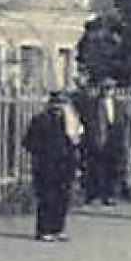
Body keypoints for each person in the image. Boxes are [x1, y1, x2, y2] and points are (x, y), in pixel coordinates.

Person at [23, 90, 82, 242]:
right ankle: (44, 229)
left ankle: (58, 228)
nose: (59, 108)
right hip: (46, 165)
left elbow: (77, 142)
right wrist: (42, 152)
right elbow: (29, 142)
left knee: (63, 198)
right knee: (47, 197)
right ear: (50, 105)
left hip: (66, 164)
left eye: (62, 104)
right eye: (56, 104)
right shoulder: (40, 120)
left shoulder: (71, 121)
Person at [80, 77, 128, 205]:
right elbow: (88, 122)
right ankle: (96, 194)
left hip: (114, 139)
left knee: (114, 168)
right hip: (98, 138)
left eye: (110, 88)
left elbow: (123, 122)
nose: (108, 91)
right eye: (105, 88)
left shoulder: (119, 104)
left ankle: (111, 195)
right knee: (97, 168)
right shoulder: (92, 104)